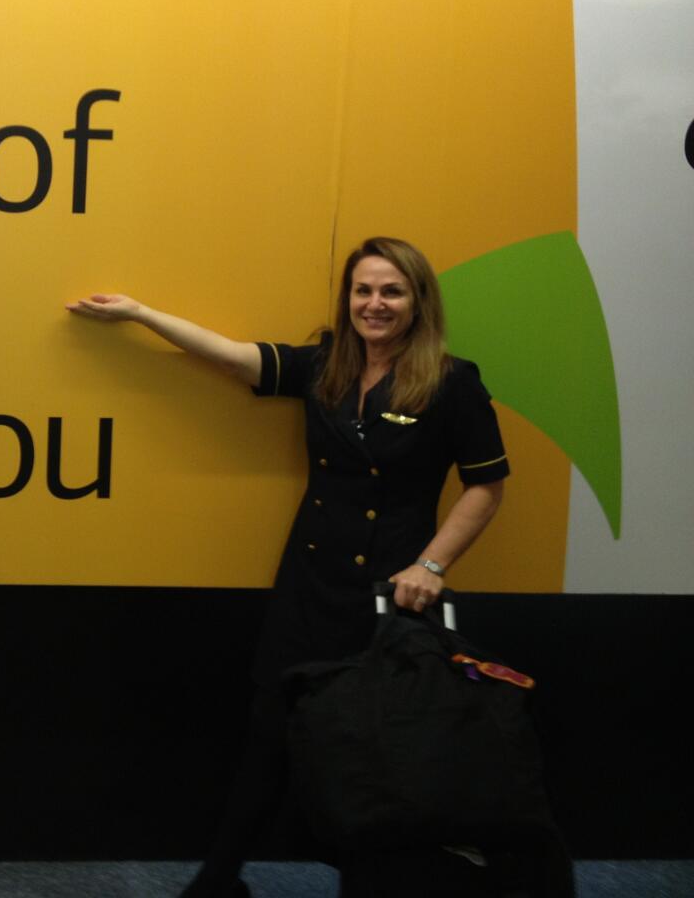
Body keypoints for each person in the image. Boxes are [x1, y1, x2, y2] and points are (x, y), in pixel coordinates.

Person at [67, 236, 509, 898]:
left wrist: (432, 564)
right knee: (267, 736)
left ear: (419, 301)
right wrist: (140, 313)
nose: (375, 304)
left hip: (390, 600)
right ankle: (217, 881)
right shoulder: (326, 366)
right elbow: (232, 356)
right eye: (363, 290)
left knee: (373, 753)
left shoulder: (452, 383)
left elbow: (487, 486)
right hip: (308, 586)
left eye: (391, 291)